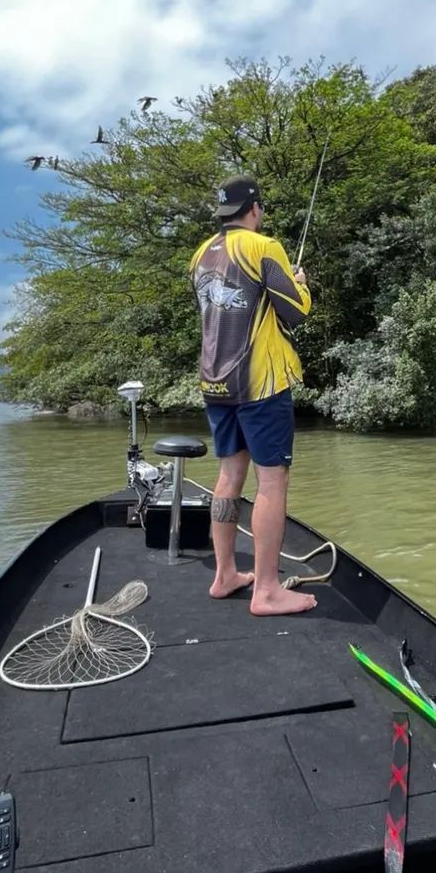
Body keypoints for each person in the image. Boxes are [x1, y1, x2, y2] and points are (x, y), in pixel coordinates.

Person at [187, 174, 317, 616]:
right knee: (272, 483)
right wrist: (301, 283)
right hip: (260, 385)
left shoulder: (200, 256)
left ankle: (224, 575)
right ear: (255, 209)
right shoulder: (265, 248)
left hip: (215, 384)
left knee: (228, 476)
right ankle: (266, 590)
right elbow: (296, 311)